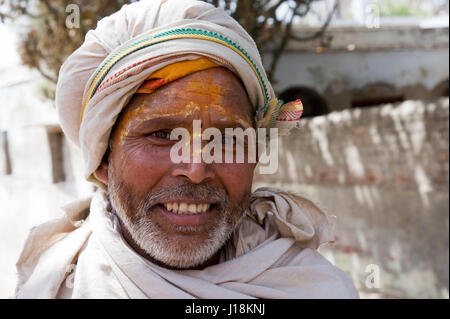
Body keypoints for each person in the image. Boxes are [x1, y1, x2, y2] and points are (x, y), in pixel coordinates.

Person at [14, 0, 358, 298]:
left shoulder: (316, 289)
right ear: (103, 160)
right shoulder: (57, 289)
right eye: (162, 134)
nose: (195, 168)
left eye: (226, 139)